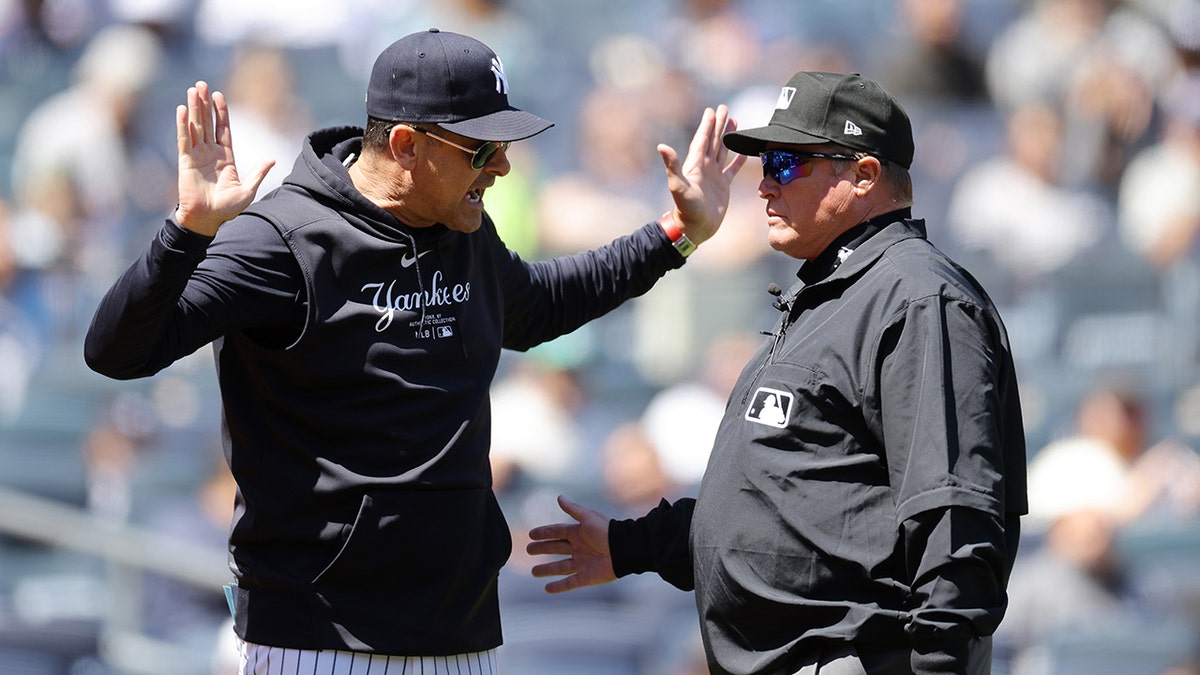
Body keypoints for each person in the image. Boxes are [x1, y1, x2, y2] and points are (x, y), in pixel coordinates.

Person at [83, 28, 744, 674]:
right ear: (405, 144)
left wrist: (679, 233)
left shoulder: (461, 226)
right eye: (483, 149)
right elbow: (118, 350)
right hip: (321, 642)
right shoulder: (284, 240)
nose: (504, 166)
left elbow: (541, 305)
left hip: (463, 634)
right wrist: (189, 230)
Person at [528, 71, 1028, 675]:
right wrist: (634, 545)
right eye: (765, 164)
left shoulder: (918, 299)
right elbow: (792, 508)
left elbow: (955, 519)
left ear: (864, 176)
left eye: (787, 164)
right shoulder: (832, 296)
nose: (764, 186)